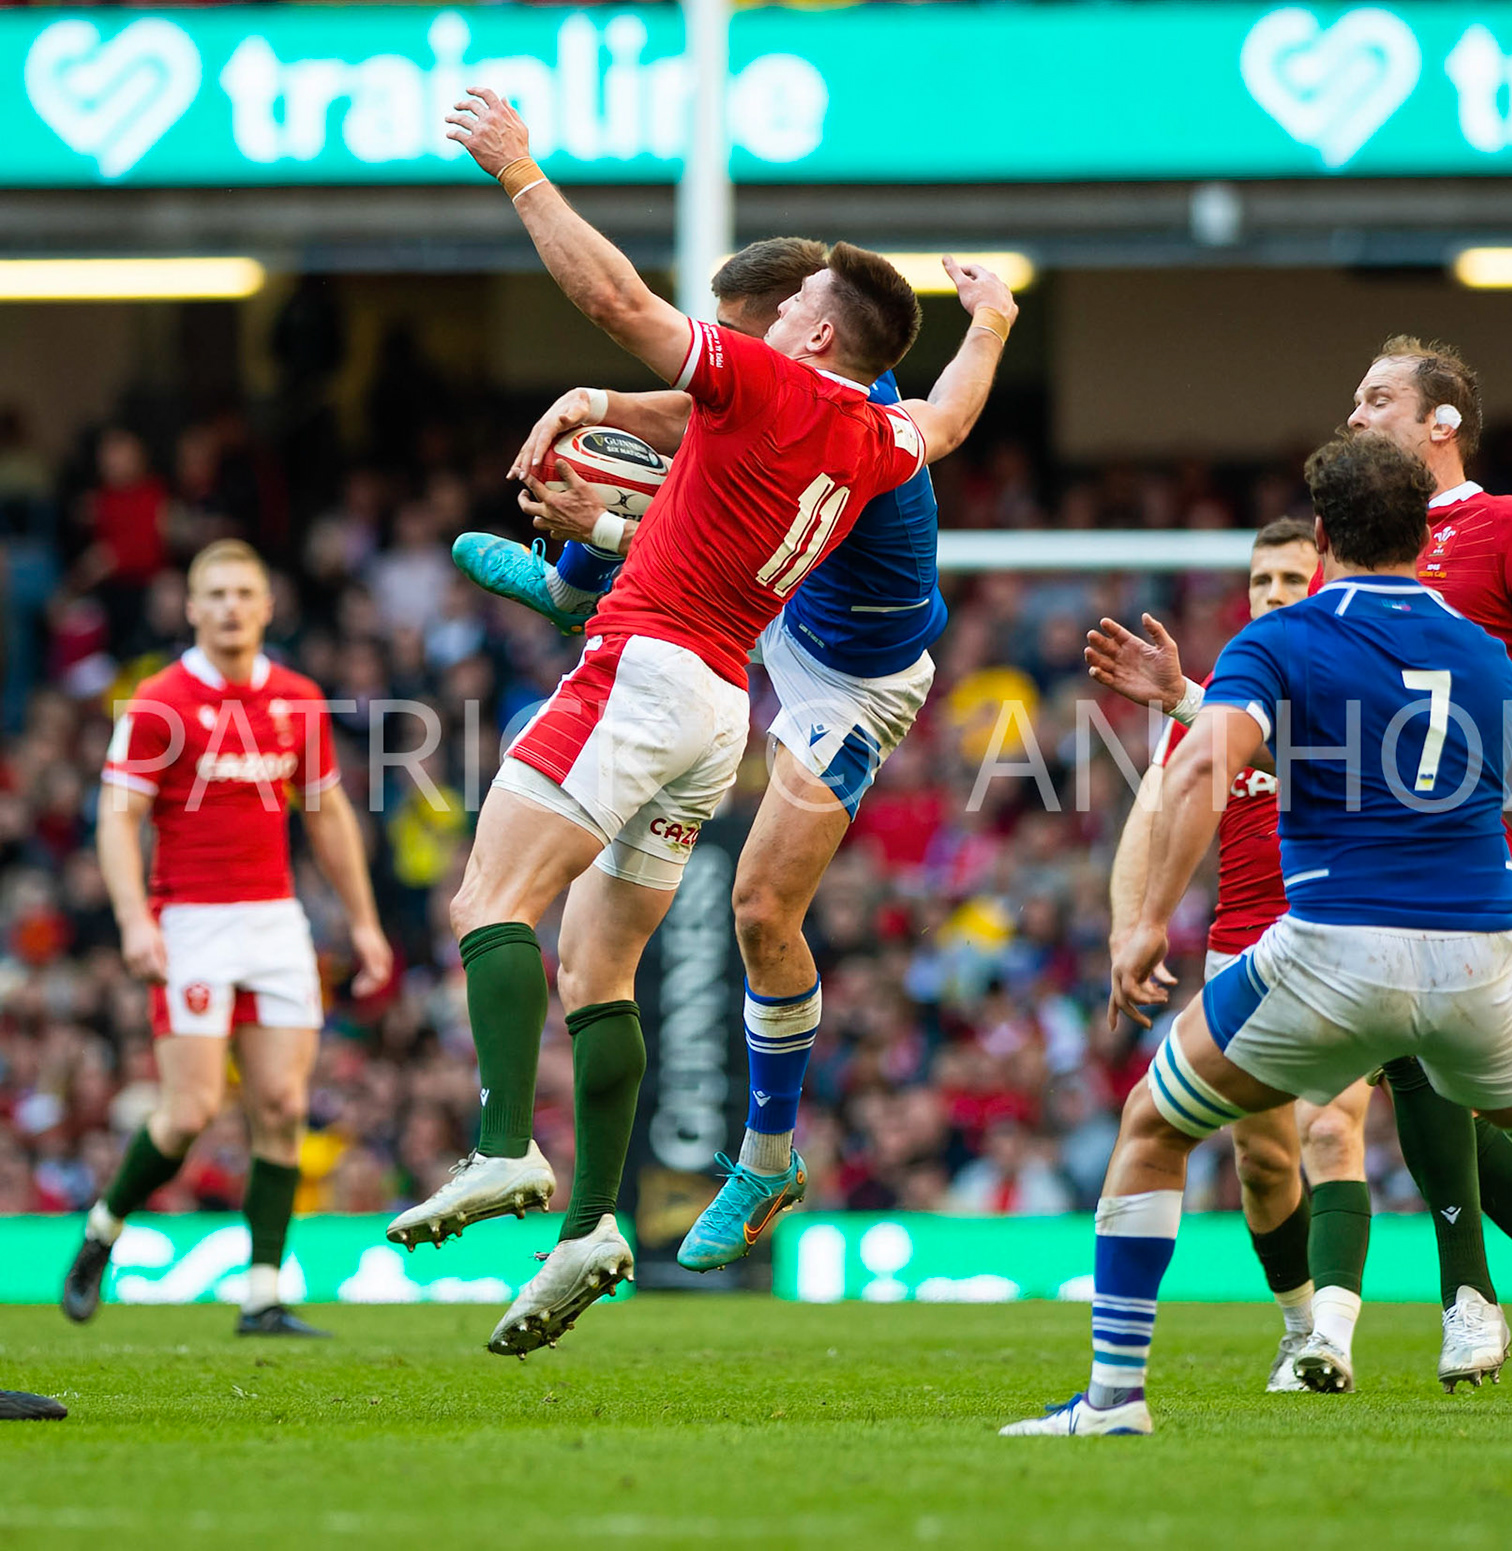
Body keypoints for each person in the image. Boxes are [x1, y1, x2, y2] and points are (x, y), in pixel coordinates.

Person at [1003, 435, 1512, 1444]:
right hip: (1483, 950)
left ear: (1324, 537)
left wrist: (1148, 919)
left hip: (1333, 950)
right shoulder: (1481, 653)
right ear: (1427, 538)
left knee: (1155, 1128)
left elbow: (1204, 773)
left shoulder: (1281, 640)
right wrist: (1510, 934)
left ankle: (1115, 1400)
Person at [385, 88, 1012, 1357]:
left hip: (726, 666)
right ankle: (599, 1227)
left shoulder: (778, 382)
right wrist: (989, 321)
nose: (763, 321)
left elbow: (619, 303)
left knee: (487, 906)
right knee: (597, 971)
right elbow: (946, 416)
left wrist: (520, 173)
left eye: (784, 311)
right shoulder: (884, 430)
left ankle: (506, 1150)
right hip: (724, 687)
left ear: (820, 331)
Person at [1087, 335, 1512, 1412]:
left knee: (1370, 1096)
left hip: (1460, 861)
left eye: (1377, 399)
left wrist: (1471, 794)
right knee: (1452, 1090)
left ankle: (1473, 1306)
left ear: (1442, 422)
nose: (1354, 415)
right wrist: (1186, 702)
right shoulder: (1346, 565)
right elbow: (1296, 723)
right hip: (1376, 876)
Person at [451, 236, 950, 1272]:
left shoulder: (830, 423)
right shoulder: (846, 389)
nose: (723, 345)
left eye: (734, 327)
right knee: (649, 494)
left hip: (845, 677)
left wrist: (609, 514)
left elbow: (723, 545)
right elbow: (710, 444)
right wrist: (606, 405)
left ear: (794, 330)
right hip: (753, 627)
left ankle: (766, 1156)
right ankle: (574, 580)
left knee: (761, 911)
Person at [62, 539, 391, 1338]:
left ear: (268, 605)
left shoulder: (297, 698)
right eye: (216, 593)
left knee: (281, 1104)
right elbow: (117, 818)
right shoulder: (157, 703)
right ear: (191, 607)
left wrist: (364, 922)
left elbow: (328, 813)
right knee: (192, 1109)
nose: (231, 606)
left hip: (275, 919)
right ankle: (101, 1232)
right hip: (191, 921)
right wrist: (136, 918)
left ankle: (263, 1294)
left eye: (245, 591)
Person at [1102, 517, 1381, 1393]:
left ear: (1327, 582)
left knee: (1333, 1125)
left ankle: (1335, 1335)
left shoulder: (1360, 672)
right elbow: (1154, 813)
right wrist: (1129, 930)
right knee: (1262, 1162)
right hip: (1241, 952)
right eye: (1261, 583)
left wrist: (1184, 694)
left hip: (1344, 937)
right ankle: (1301, 1328)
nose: (1273, 597)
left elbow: (1325, 764)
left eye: (1291, 579)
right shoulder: (1234, 688)